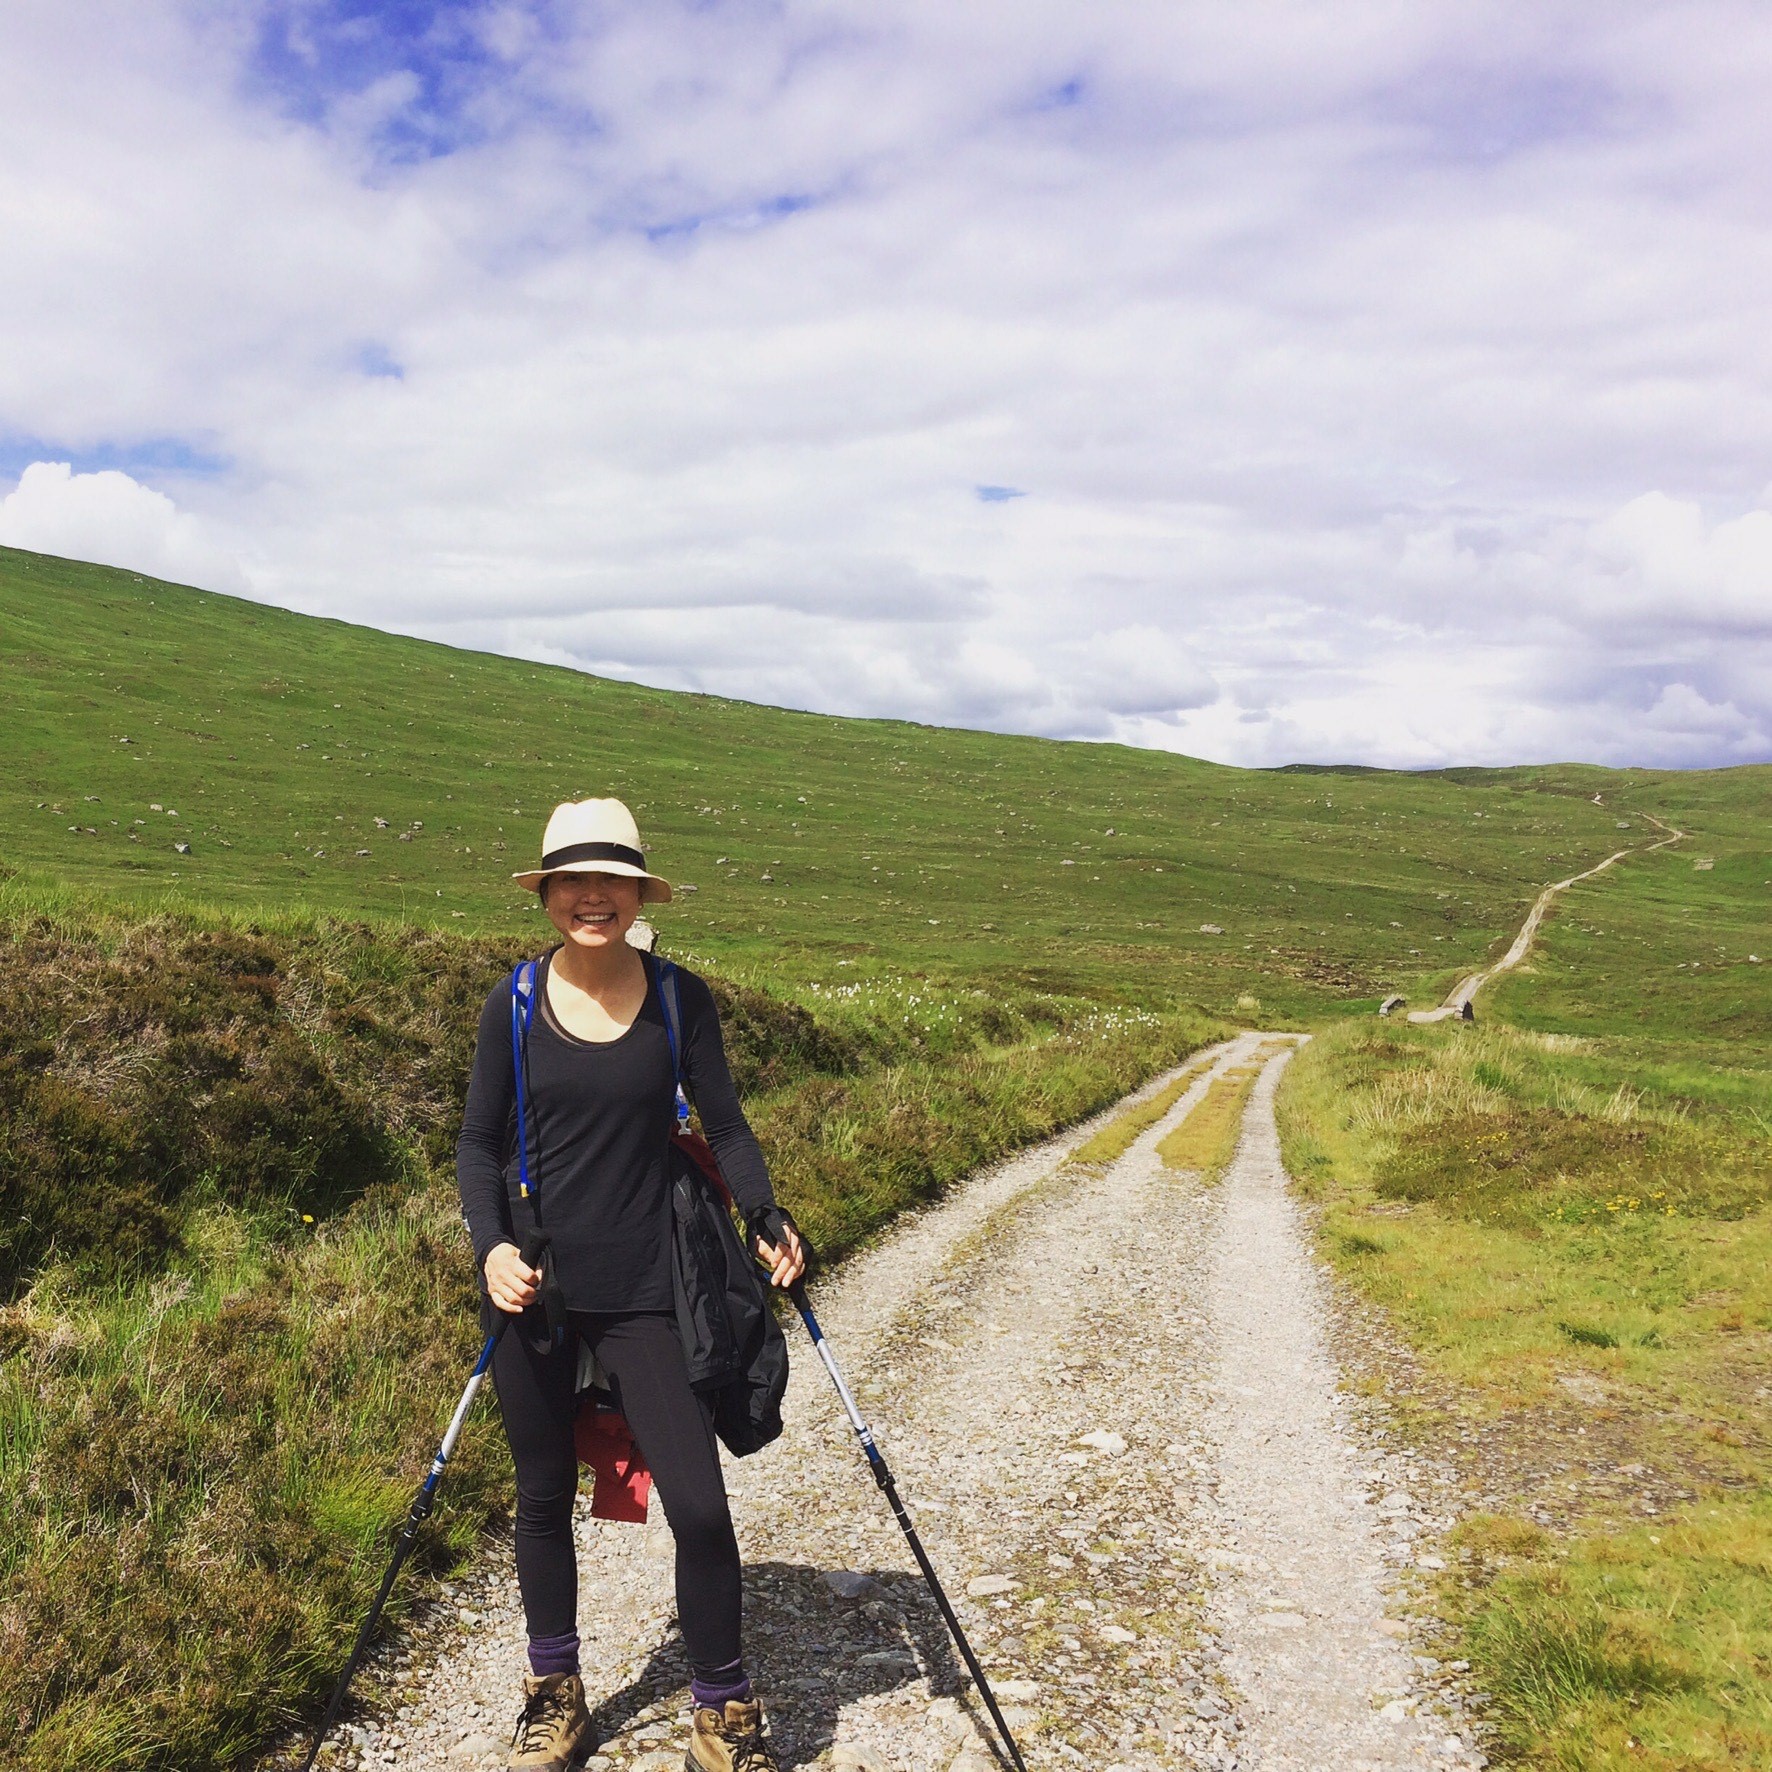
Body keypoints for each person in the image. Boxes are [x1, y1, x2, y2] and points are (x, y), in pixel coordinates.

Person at [457, 798, 805, 1772]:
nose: (591, 896)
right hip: (535, 1288)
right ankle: (553, 1689)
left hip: (650, 1288)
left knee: (697, 1506)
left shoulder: (676, 997)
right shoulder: (514, 1003)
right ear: (549, 894)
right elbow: (478, 1143)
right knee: (539, 1493)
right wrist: (489, 1246)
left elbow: (726, 1125)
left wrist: (764, 1211)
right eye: (573, 879)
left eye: (609, 879)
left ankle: (723, 1710)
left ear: (635, 892)